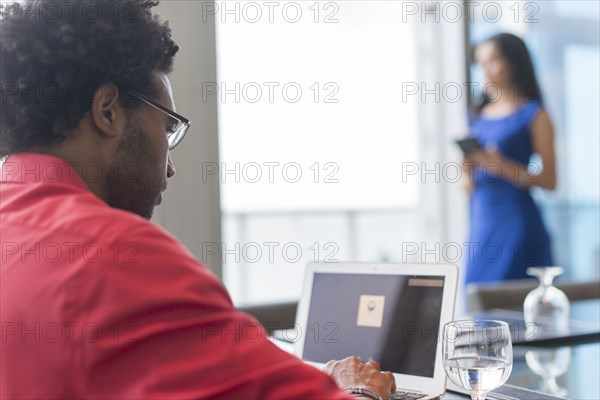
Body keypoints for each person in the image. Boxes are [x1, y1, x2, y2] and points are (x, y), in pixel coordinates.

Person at [0, 1, 396, 399]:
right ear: (108, 111)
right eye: (167, 128)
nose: (169, 168)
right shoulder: (118, 257)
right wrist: (356, 389)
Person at [462, 33, 557, 284]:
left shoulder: (534, 115)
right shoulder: (476, 116)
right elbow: (468, 188)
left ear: (513, 62)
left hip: (517, 222)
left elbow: (550, 181)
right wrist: (467, 171)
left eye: (493, 61)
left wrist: (502, 167)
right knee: (477, 297)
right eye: (481, 63)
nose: (486, 71)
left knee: (516, 304)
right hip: (482, 220)